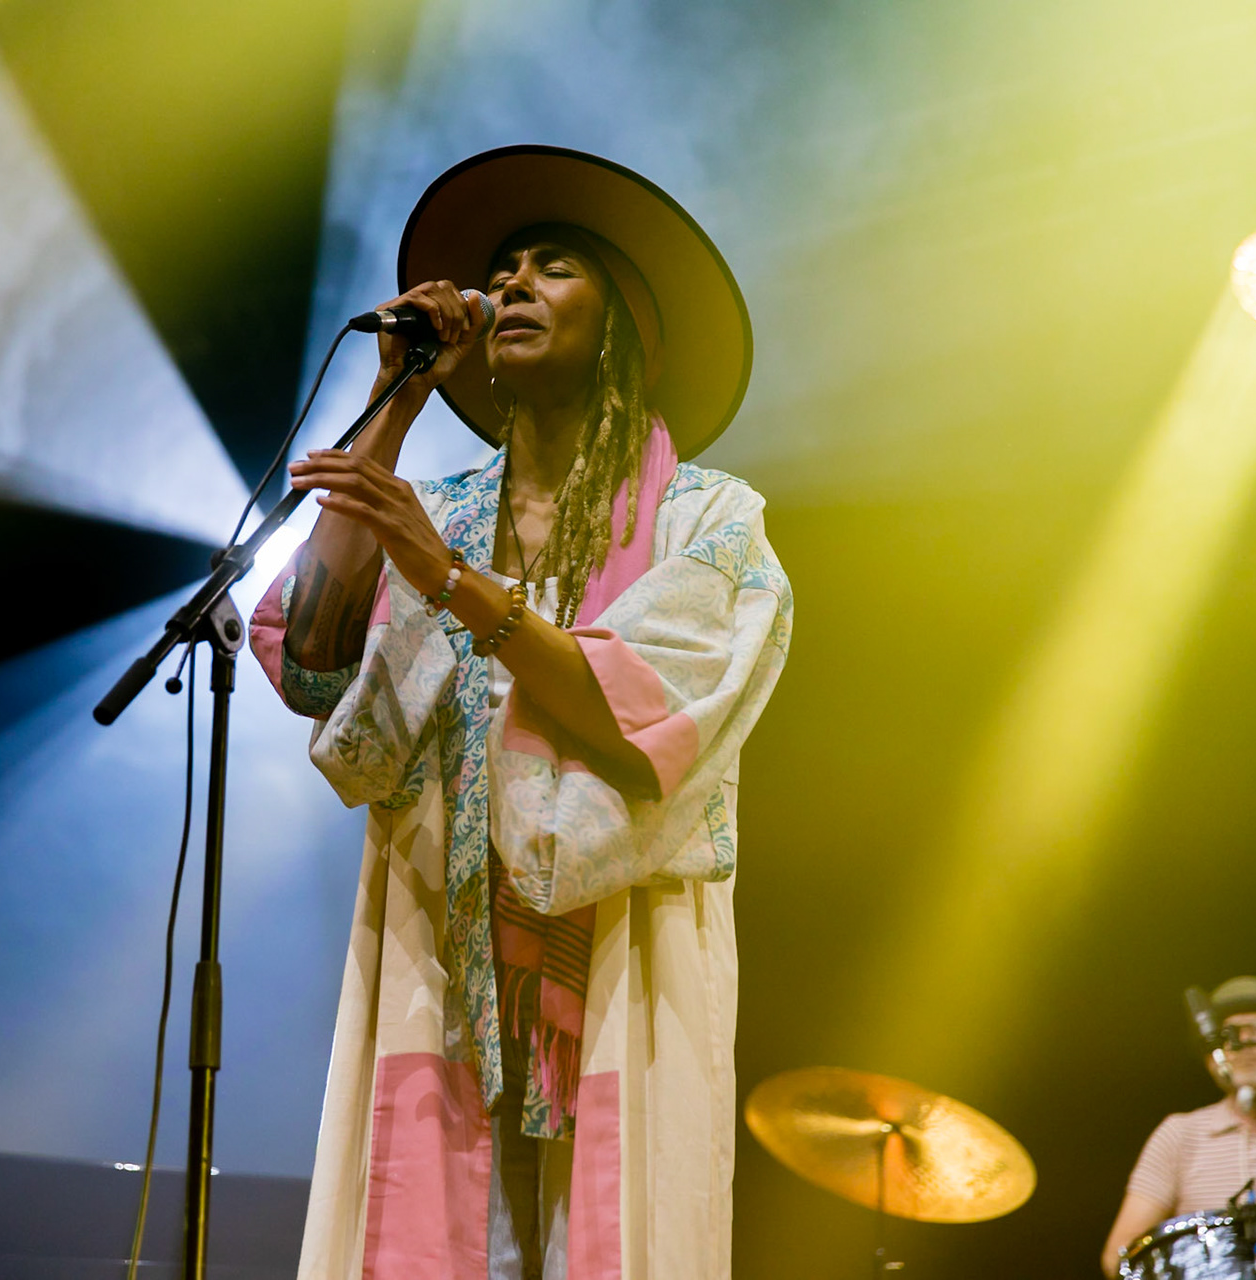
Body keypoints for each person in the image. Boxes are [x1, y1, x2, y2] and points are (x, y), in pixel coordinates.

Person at [249, 146, 792, 1279]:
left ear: (623, 322)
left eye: (557, 266)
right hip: (439, 950)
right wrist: (390, 400)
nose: (516, 283)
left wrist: (446, 578)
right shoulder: (432, 508)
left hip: (620, 949)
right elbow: (312, 659)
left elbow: (638, 716)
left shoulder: (713, 523)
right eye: (506, 266)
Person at [1100, 976, 1256, 1277]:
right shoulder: (1180, 1134)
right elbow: (1119, 1255)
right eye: (1229, 1033)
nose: (1244, 1040)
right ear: (1214, 1060)